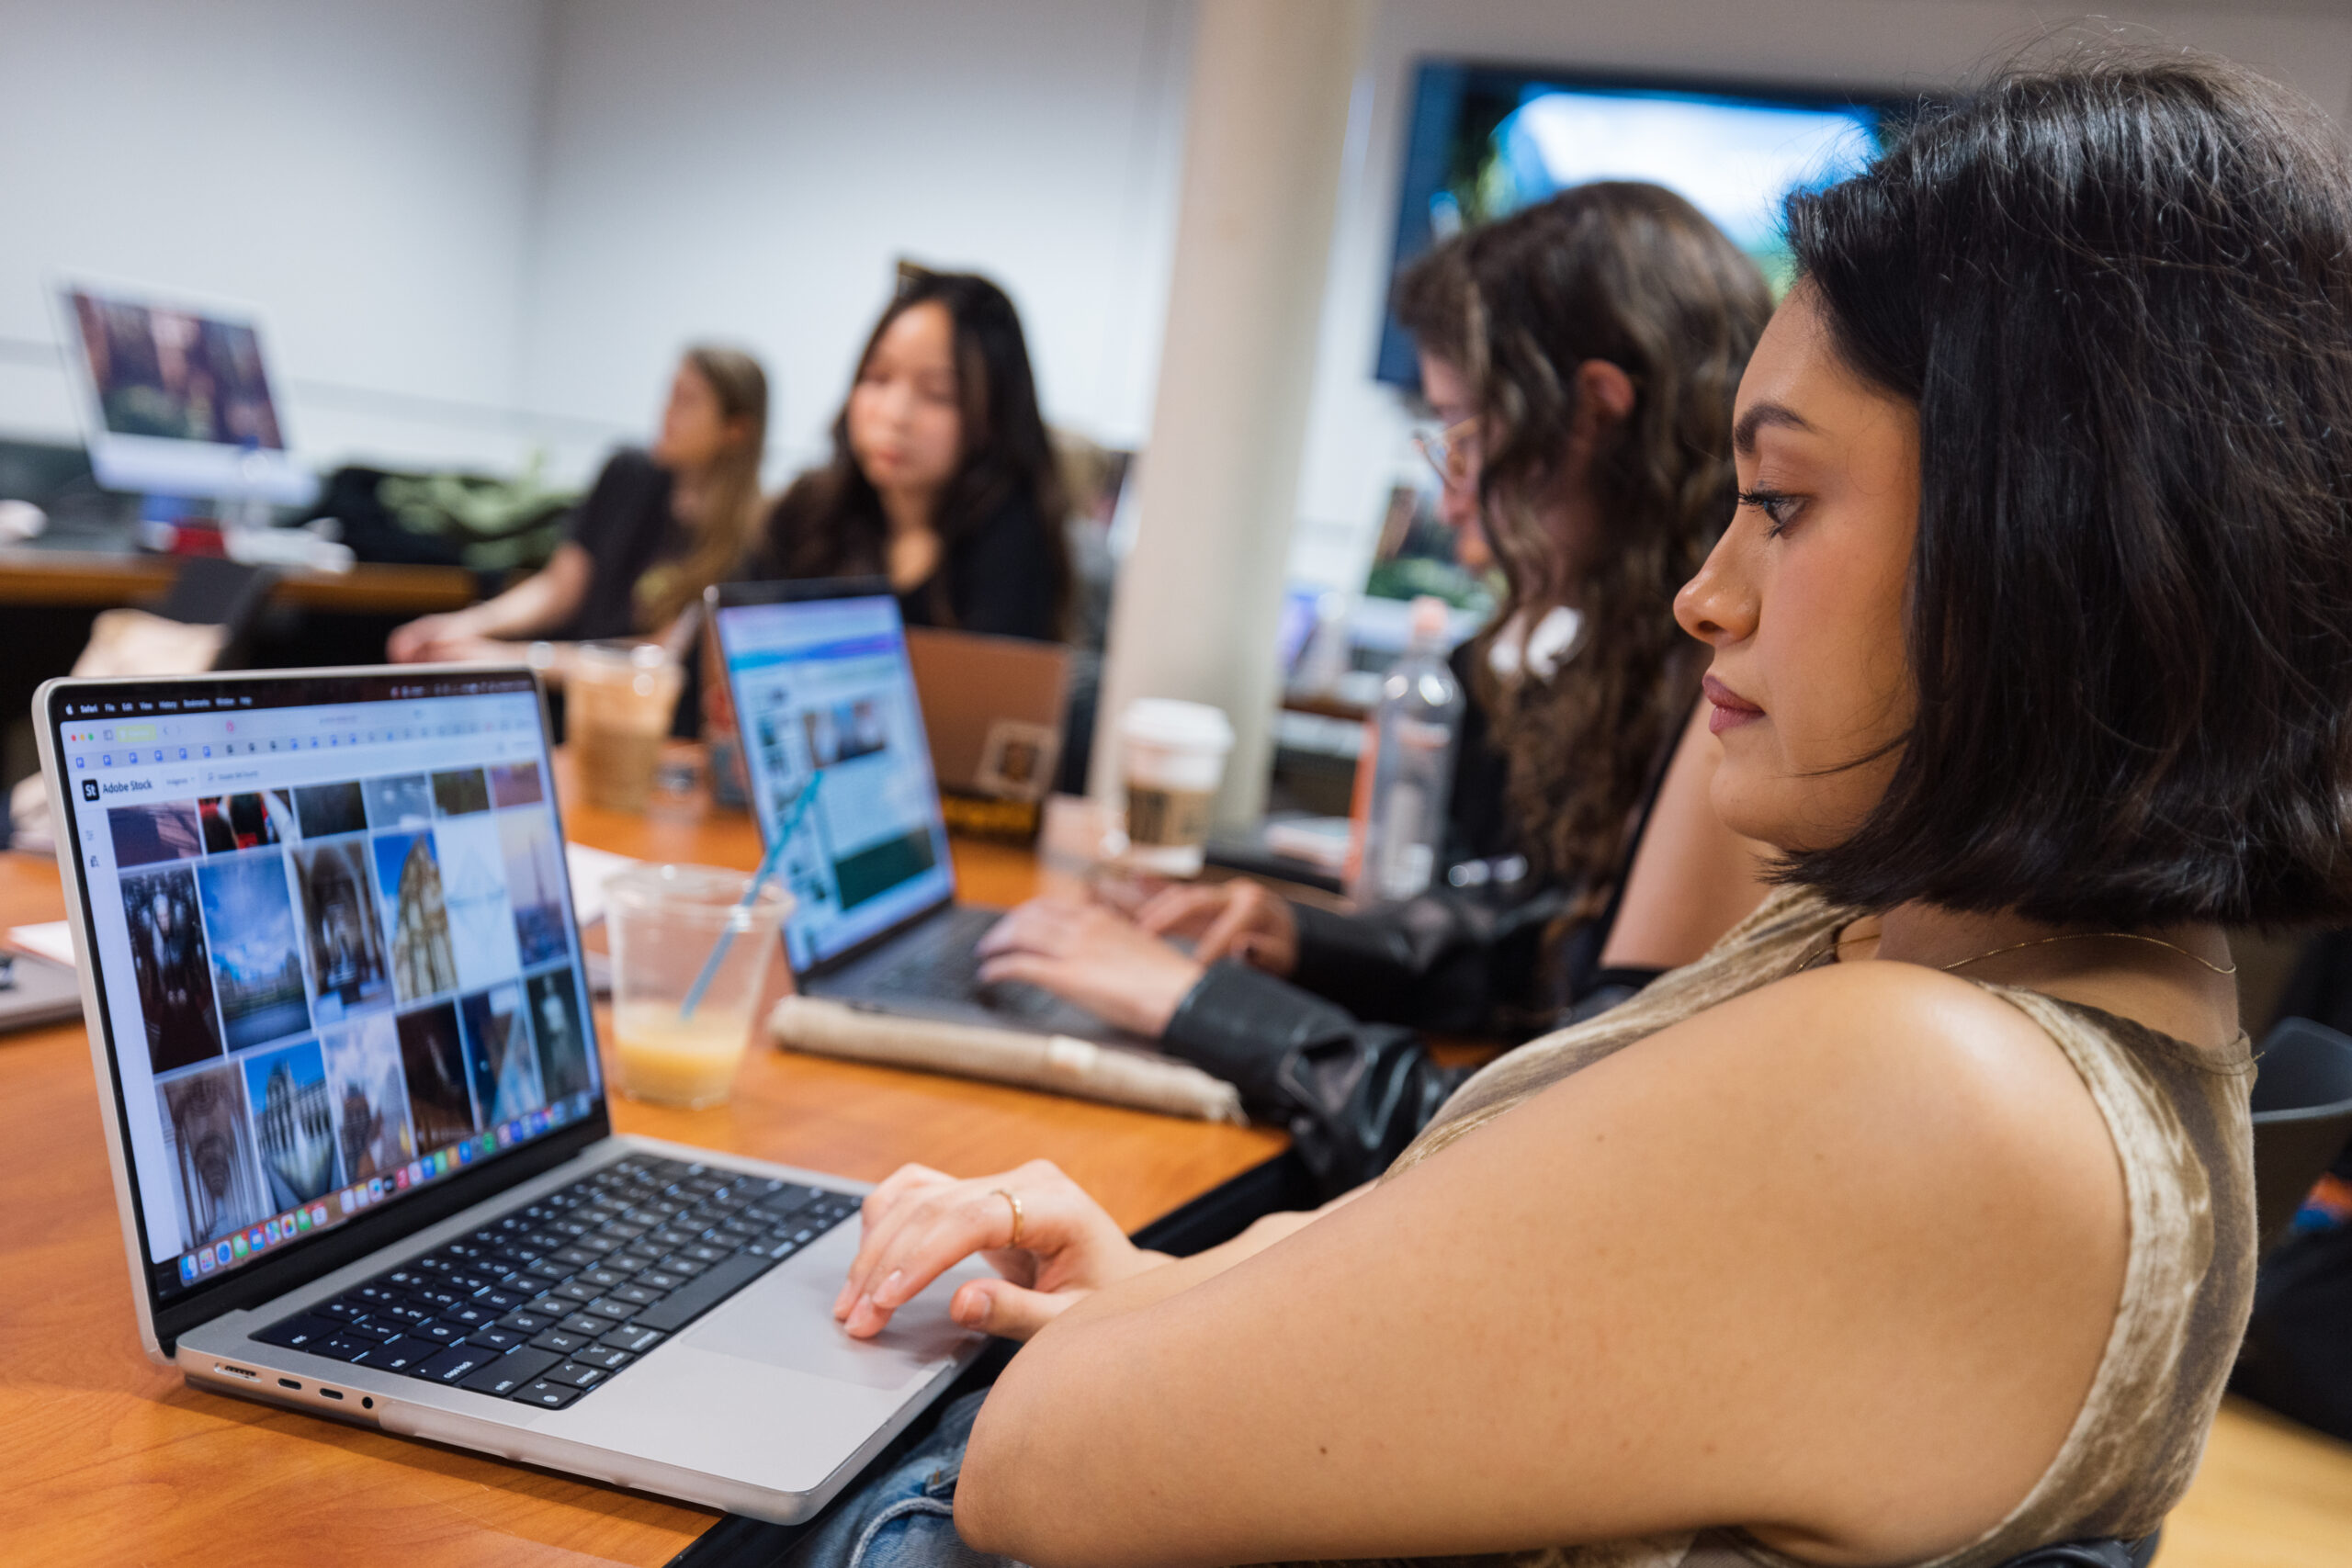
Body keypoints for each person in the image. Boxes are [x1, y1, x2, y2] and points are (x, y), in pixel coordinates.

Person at [800, 52, 2352, 1567]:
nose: (1706, 591)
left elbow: (1033, 1473)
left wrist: (1150, 1336)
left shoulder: (1919, 1082)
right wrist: (1170, 1298)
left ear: (2049, 551)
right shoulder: (2065, 979)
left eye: (1784, 505)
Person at [971, 185, 1774, 1188]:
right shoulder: (1639, 660)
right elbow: (1552, 935)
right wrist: (1303, 940)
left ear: (1595, 417)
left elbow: (1551, 1141)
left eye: (1464, 439)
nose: (1447, 494)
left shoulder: (1735, 692)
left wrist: (1194, 1005)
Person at [386, 345, 769, 672]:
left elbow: (656, 659)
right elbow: (560, 586)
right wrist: (466, 626)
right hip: (568, 687)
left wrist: (510, 658)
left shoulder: (749, 538)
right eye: (669, 394)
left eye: (687, 401)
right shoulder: (628, 473)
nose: (666, 412)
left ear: (735, 429)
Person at [750, 265, 1070, 641]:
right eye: (878, 377)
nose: (894, 414)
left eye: (938, 394)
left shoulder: (1014, 544)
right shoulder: (808, 511)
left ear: (995, 414)